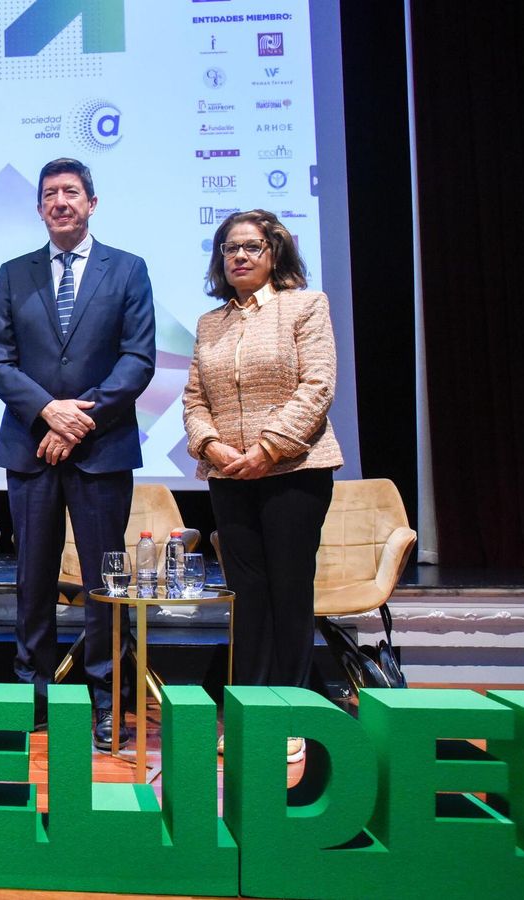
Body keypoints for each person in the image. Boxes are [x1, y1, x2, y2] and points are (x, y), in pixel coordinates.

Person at [0, 158, 156, 751]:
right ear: (38, 208)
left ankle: (107, 703)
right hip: (31, 449)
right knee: (32, 578)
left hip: (101, 449)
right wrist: (47, 412)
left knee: (104, 582)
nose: (61, 202)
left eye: (72, 193)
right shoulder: (13, 273)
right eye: (50, 194)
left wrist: (78, 417)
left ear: (92, 203)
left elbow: (138, 360)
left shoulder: (128, 270)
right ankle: (32, 698)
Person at [183, 208, 342, 763]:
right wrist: (212, 447)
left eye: (251, 247)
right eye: (230, 248)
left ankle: (291, 716)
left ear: (275, 252)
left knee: (289, 593)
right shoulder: (210, 323)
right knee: (247, 597)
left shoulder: (306, 306)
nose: (239, 257)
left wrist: (269, 448)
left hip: (294, 472)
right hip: (230, 477)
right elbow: (194, 399)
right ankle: (248, 711)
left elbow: (318, 384)